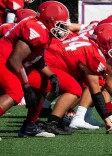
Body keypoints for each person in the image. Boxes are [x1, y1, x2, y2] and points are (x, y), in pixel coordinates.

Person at [0, 1, 72, 137]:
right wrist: (26, 87)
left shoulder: (42, 29)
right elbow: (14, 60)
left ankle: (30, 126)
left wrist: (52, 76)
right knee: (15, 93)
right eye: (60, 24)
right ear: (49, 19)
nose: (62, 29)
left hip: (9, 61)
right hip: (4, 60)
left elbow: (37, 59)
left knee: (43, 85)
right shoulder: (37, 30)